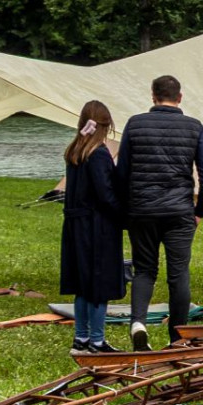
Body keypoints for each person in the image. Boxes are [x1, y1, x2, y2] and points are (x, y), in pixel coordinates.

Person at [116, 74, 203, 351]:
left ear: (153, 96)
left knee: (144, 270)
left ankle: (138, 322)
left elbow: (122, 172)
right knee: (178, 272)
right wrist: (199, 211)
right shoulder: (194, 127)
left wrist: (127, 208)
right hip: (179, 211)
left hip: (142, 210)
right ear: (180, 97)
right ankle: (177, 337)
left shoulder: (135, 124)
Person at [58, 101, 126, 355]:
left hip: (75, 226)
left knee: (82, 284)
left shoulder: (74, 151)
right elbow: (105, 194)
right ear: (105, 126)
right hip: (96, 227)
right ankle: (97, 342)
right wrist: (125, 216)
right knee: (99, 283)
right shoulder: (97, 153)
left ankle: (81, 339)